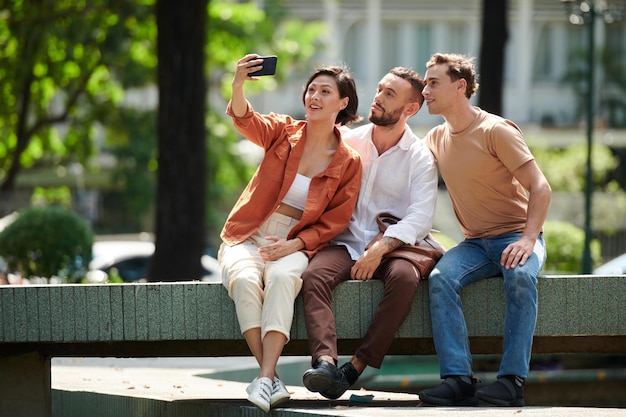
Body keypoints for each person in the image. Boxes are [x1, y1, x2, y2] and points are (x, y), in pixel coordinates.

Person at [218, 54, 363, 413]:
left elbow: (336, 221)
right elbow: (246, 119)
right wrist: (237, 85)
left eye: (325, 91)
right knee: (245, 279)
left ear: (342, 103)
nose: (313, 96)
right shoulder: (283, 131)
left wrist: (294, 245)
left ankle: (265, 379)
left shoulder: (349, 161)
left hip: (297, 240)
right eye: (311, 89)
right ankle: (269, 377)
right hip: (248, 233)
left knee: (283, 279)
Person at [417, 53, 552, 407]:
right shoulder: (434, 137)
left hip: (518, 236)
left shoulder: (495, 130)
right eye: (424, 83)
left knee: (521, 276)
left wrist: (526, 238)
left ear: (460, 86)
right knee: (441, 278)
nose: (425, 90)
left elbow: (540, 188)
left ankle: (511, 382)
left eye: (433, 83)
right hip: (474, 245)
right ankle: (458, 378)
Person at [301, 67, 439, 399]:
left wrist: (380, 248)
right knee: (313, 277)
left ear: (410, 109)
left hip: (392, 247)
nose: (377, 98)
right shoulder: (347, 140)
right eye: (379, 89)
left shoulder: (420, 157)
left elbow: (420, 217)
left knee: (406, 278)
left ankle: (356, 366)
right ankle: (324, 363)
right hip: (344, 242)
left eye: (389, 94)